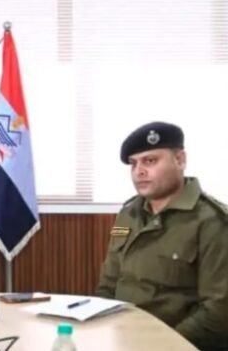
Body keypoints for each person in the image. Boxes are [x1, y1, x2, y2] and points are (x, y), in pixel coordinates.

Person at [97, 121, 228, 351]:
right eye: (133, 164)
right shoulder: (128, 214)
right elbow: (108, 283)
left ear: (180, 160)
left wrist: (163, 344)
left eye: (150, 161)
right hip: (122, 338)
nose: (139, 171)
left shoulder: (212, 221)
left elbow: (218, 311)